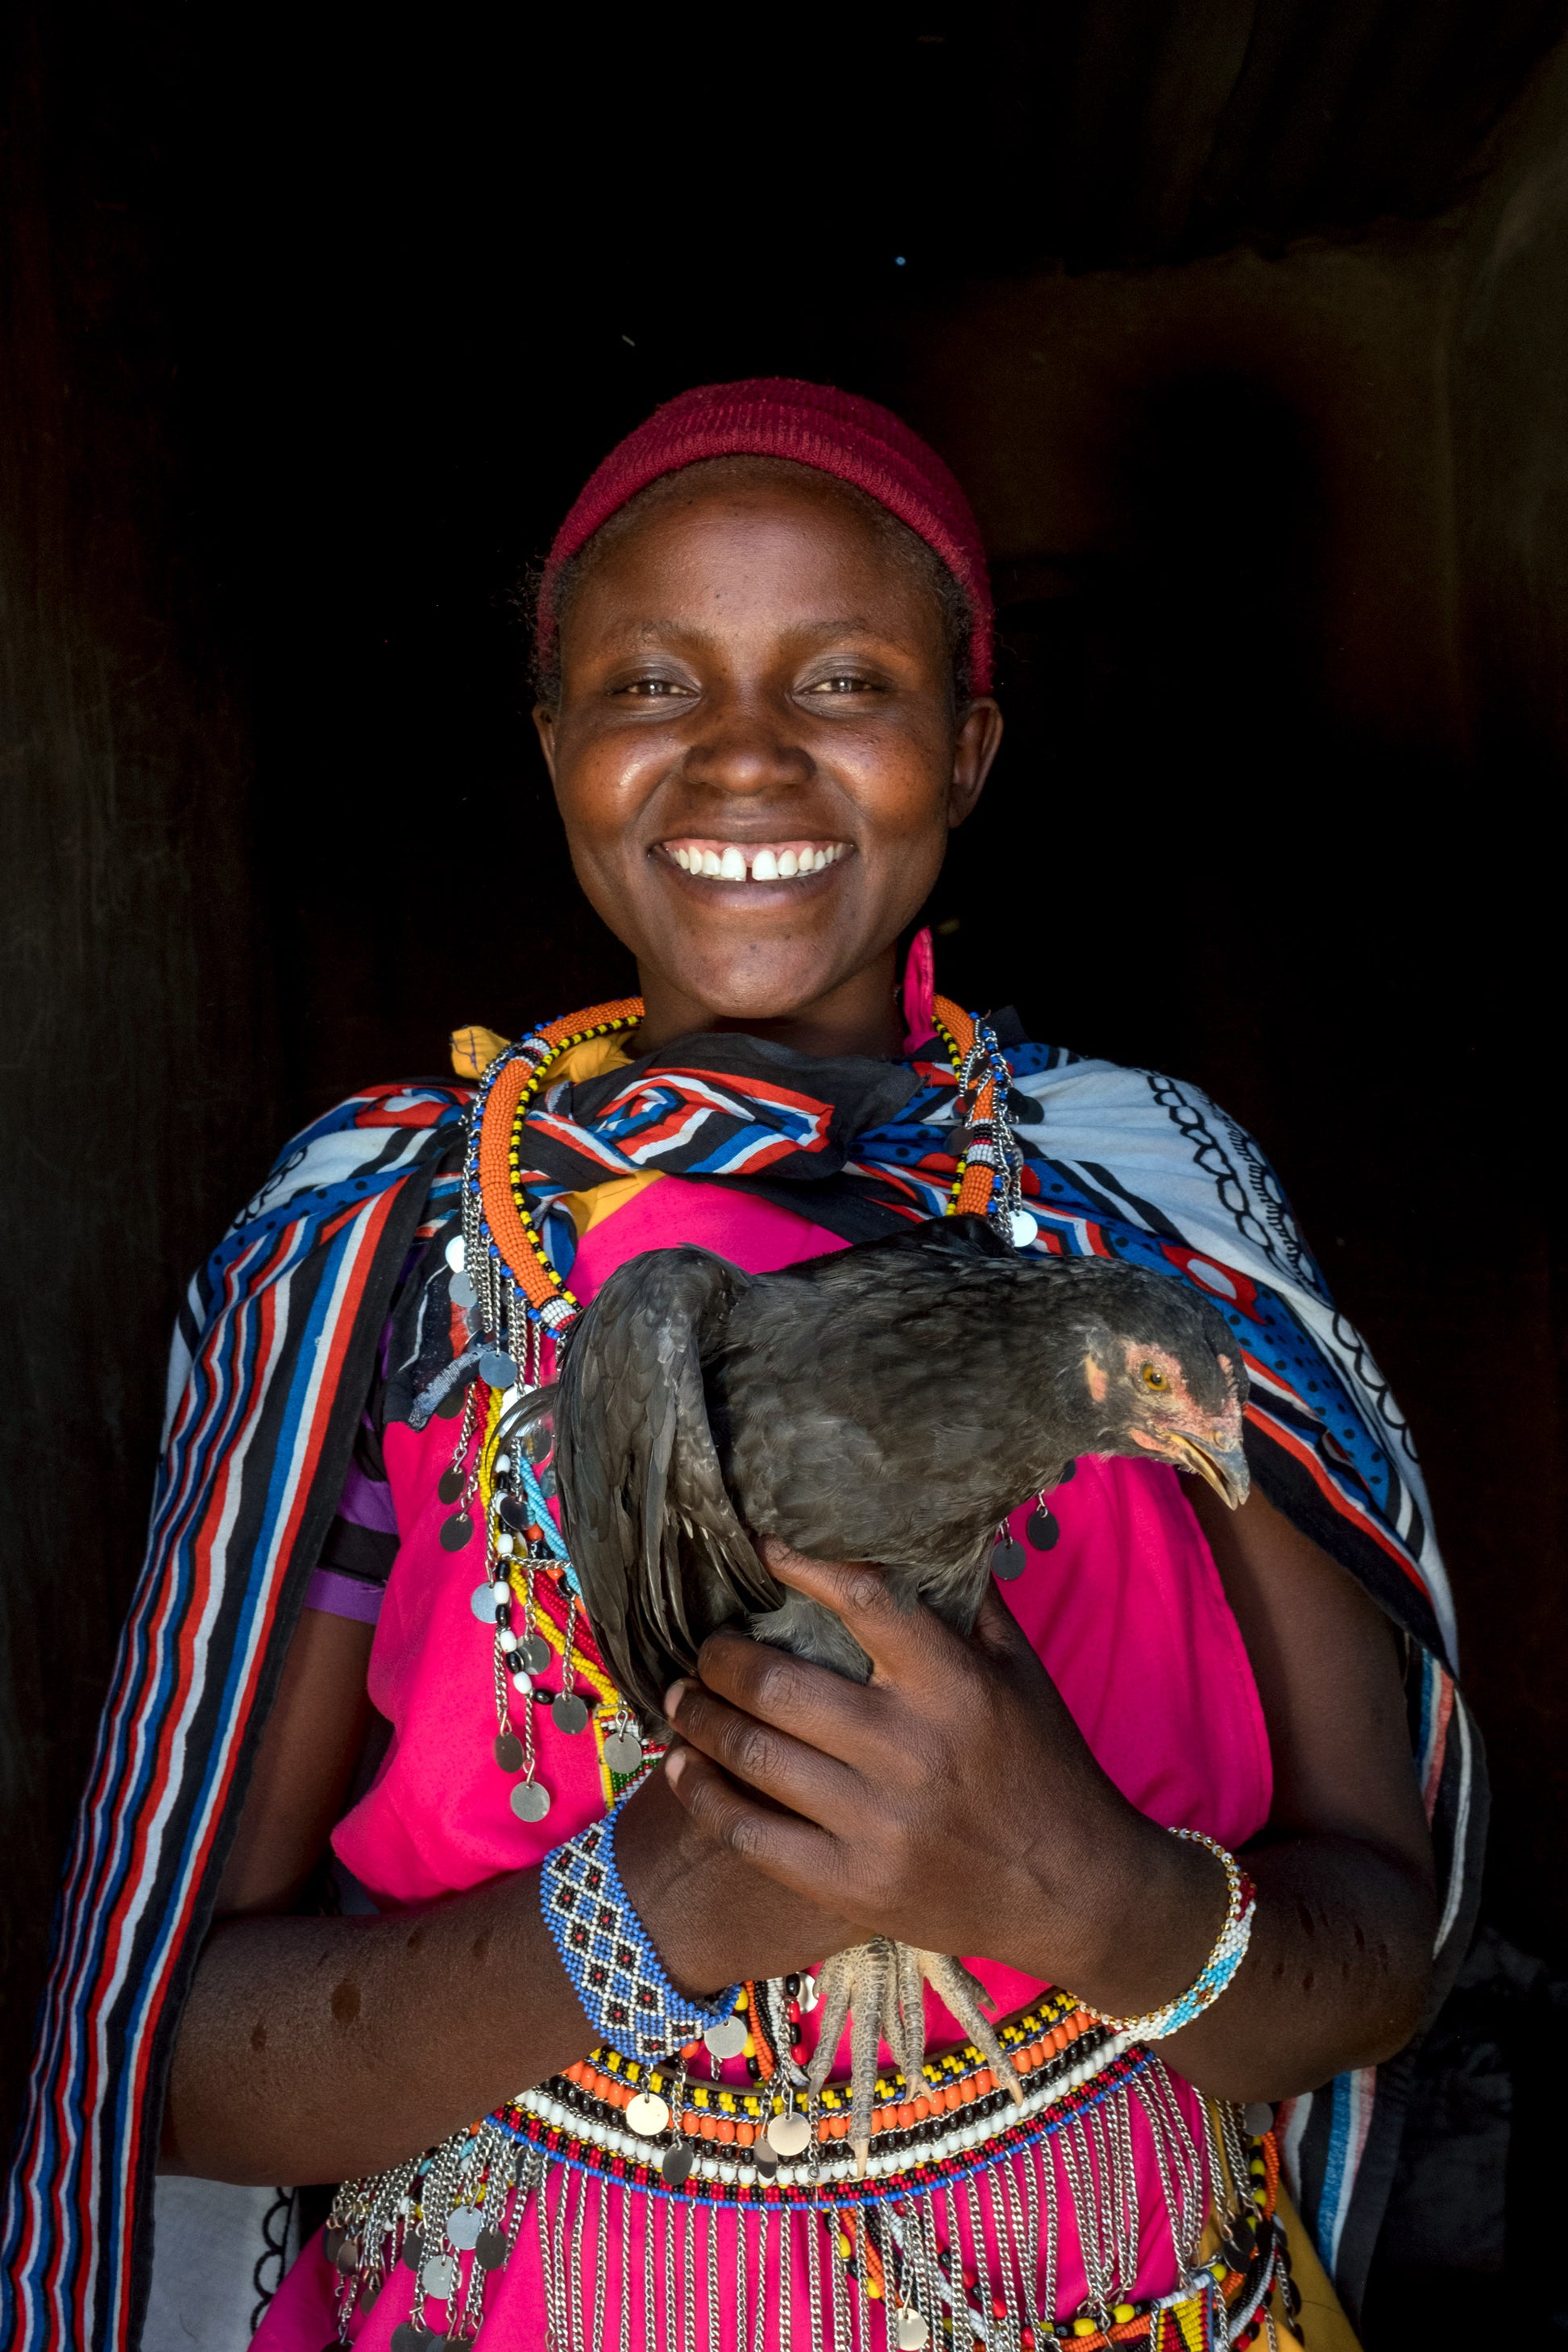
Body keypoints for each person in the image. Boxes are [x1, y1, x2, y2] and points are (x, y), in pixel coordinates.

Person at [2, 380, 1480, 2352]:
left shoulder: (1150, 1215)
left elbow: (1375, 1943)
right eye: (648, 684)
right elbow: (173, 2067)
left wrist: (1085, 1895)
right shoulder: (391, 1258)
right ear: (554, 749)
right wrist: (662, 1900)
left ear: (967, 747)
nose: (744, 754)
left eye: (845, 679)